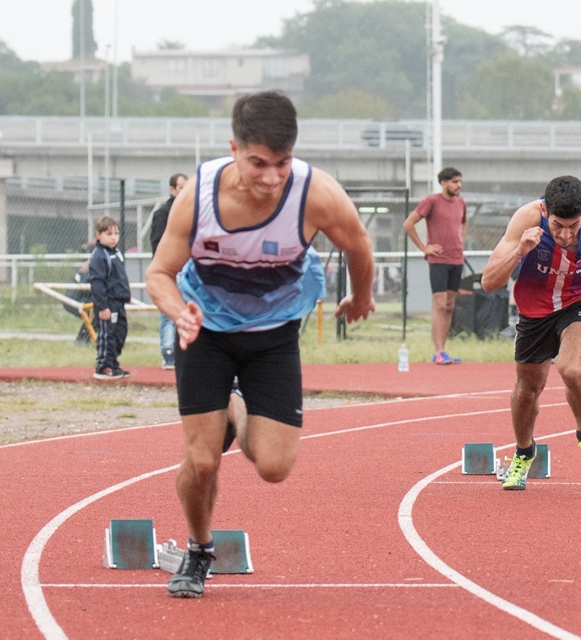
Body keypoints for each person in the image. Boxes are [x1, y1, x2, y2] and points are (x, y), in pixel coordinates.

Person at [145, 91, 376, 598]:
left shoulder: (316, 193)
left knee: (273, 468)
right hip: (204, 329)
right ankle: (199, 550)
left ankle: (236, 412)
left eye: (282, 163)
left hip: (273, 335)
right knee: (202, 461)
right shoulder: (198, 196)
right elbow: (159, 273)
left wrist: (361, 296)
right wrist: (177, 311)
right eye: (258, 163)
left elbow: (358, 243)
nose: (272, 178)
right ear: (234, 149)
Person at [481, 175, 581, 491]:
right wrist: (519, 250)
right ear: (545, 211)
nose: (565, 234)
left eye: (573, 225)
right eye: (558, 225)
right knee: (529, 387)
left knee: (571, 369)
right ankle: (523, 453)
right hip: (535, 309)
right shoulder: (527, 219)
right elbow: (489, 282)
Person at [402, 167, 467, 365]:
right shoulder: (432, 201)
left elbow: (464, 222)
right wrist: (424, 248)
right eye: (455, 182)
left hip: (457, 259)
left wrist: (460, 240)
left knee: (449, 305)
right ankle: (438, 352)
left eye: (459, 181)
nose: (458, 185)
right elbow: (408, 224)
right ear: (444, 183)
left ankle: (443, 350)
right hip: (438, 260)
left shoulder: (461, 202)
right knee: (439, 304)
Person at [149, 172, 188, 369]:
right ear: (172, 190)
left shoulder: (191, 210)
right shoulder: (163, 214)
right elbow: (157, 243)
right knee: (168, 312)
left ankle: (185, 351)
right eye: (181, 187)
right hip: (171, 270)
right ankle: (168, 353)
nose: (185, 191)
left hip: (188, 270)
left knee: (189, 310)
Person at [89, 216, 132, 380]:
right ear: (98, 235)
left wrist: (125, 295)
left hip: (119, 302)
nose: (113, 237)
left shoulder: (117, 253)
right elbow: (97, 283)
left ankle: (113, 363)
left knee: (120, 333)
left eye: (116, 233)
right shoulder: (99, 256)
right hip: (107, 305)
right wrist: (102, 307)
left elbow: (119, 278)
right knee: (108, 335)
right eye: (109, 234)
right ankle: (104, 366)